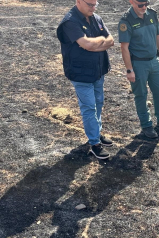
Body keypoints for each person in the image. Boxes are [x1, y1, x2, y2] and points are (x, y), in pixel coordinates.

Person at [57, 0, 114, 159]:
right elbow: (86, 44)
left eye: (95, 4)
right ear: (79, 1)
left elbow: (111, 40)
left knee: (98, 103)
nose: (93, 7)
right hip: (81, 73)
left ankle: (97, 132)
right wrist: (97, 42)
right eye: (90, 4)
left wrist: (94, 43)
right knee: (89, 107)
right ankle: (95, 143)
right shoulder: (70, 22)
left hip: (98, 71)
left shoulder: (96, 18)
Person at [118, 0, 159, 139]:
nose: (144, 7)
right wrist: (129, 69)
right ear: (131, 2)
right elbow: (124, 47)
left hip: (153, 61)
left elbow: (158, 36)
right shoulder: (126, 21)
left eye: (146, 4)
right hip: (138, 64)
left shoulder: (152, 14)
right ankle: (146, 125)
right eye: (140, 5)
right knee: (141, 95)